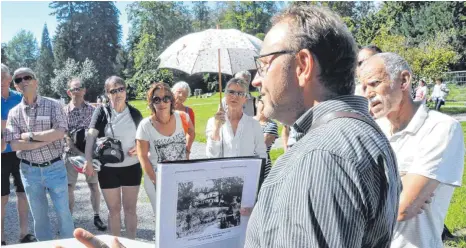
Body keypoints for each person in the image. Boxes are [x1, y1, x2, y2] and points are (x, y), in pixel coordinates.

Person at [245, 5, 401, 247]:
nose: (256, 80)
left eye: (264, 65)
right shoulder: (360, 133)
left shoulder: (319, 155)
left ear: (303, 65)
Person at [359, 52, 464, 248]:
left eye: (374, 84)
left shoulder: (440, 127)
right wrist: (398, 185)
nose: (367, 93)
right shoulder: (372, 129)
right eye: (364, 87)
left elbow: (402, 208)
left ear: (404, 81)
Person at [3, 67, 74, 241]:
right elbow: (14, 143)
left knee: (64, 214)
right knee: (39, 218)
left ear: (36, 81)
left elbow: (60, 132)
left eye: (27, 77)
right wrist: (48, 139)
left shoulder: (53, 105)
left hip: (55, 167)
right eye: (18, 80)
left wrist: (31, 137)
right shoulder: (14, 113)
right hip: (29, 171)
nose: (23, 81)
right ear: (16, 86)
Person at [83, 76, 142, 239]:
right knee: (114, 211)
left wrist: (138, 147)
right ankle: (115, 243)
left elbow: (144, 139)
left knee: (130, 210)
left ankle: (131, 243)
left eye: (120, 89)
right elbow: (90, 137)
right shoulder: (101, 111)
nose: (118, 94)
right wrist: (88, 160)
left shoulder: (135, 113)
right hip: (108, 169)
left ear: (125, 90)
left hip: (132, 167)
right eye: (113, 91)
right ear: (107, 94)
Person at [136, 82, 195, 217]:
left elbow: (191, 132)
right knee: (164, 219)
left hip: (180, 176)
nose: (162, 103)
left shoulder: (182, 117)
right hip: (156, 178)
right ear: (151, 102)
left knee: (183, 216)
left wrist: (187, 150)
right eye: (157, 99)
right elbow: (142, 156)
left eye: (166, 98)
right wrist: (157, 181)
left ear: (171, 100)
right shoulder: (145, 125)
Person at [62, 78, 106, 231]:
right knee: (69, 188)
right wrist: (79, 153)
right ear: (69, 92)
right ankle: (69, 219)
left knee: (94, 185)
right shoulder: (64, 111)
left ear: (84, 91)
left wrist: (88, 156)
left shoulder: (93, 110)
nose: (77, 91)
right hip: (71, 154)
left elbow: (98, 134)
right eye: (74, 89)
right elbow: (66, 136)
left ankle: (97, 216)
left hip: (90, 155)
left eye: (80, 88)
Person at [1, 64, 36, 245]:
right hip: (1, 154)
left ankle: (24, 233)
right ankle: (1, 238)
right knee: (2, 197)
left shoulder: (18, 98)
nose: (0, 82)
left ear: (9, 79)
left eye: (2, 78)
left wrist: (4, 124)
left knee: (23, 193)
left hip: (20, 151)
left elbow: (29, 121)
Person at [206, 77, 267, 160]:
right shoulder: (212, 122)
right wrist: (216, 129)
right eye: (231, 92)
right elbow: (211, 155)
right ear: (225, 95)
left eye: (240, 93)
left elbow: (262, 155)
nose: (235, 97)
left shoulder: (254, 125)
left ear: (245, 98)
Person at [253, 96, 278, 180]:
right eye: (263, 102)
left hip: (262, 167)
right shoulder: (247, 121)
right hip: (246, 165)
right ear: (257, 103)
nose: (265, 105)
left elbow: (261, 147)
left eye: (268, 103)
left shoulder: (271, 126)